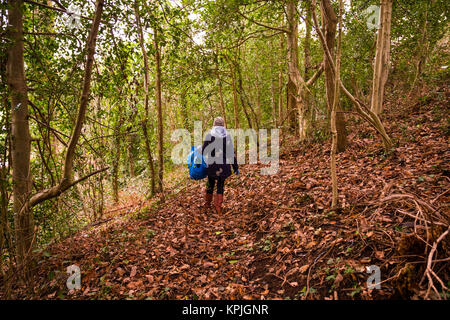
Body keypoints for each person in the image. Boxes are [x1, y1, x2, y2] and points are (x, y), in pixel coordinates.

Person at [202, 117, 239, 214]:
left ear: (214, 125)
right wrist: (235, 167)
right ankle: (218, 207)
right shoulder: (227, 136)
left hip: (211, 165)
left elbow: (203, 151)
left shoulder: (209, 135)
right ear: (223, 125)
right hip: (223, 166)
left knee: (210, 184)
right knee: (220, 185)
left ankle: (207, 204)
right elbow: (231, 153)